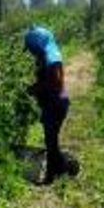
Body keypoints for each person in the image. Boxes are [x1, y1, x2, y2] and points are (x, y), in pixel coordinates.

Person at [24, 25, 74, 184]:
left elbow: (56, 82)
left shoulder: (51, 58)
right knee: (50, 141)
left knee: (51, 141)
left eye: (32, 48)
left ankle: (60, 170)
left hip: (55, 104)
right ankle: (61, 168)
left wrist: (34, 89)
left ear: (38, 44)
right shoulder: (48, 54)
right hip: (53, 103)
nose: (31, 52)